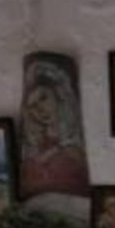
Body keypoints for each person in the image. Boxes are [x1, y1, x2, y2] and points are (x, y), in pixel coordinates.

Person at [19, 68, 89, 199]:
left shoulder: (74, 143)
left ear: (58, 95)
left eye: (43, 98)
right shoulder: (33, 149)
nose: (40, 109)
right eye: (33, 106)